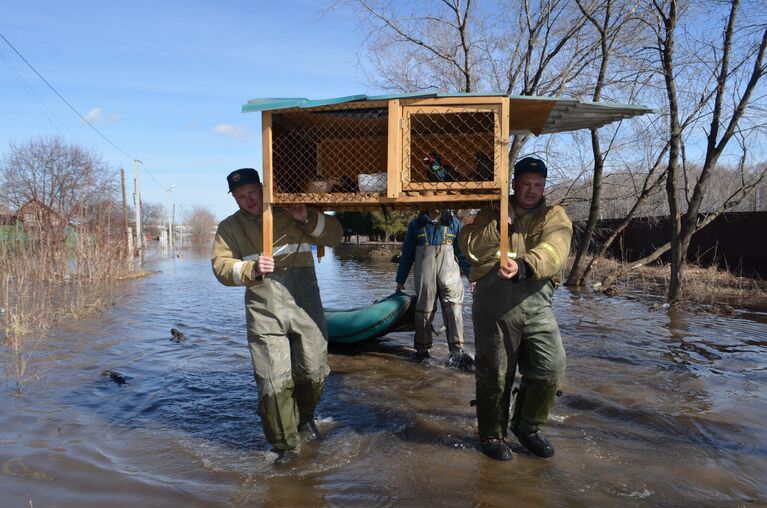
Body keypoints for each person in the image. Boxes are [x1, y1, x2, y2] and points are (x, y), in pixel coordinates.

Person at [211, 167, 342, 465]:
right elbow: (220, 267)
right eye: (239, 197)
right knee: (273, 381)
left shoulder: (290, 210)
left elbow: (335, 235)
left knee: (313, 372)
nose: (248, 201)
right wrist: (251, 269)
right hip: (264, 309)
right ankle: (285, 447)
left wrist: (306, 218)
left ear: (263, 188)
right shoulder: (229, 228)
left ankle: (304, 419)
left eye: (252, 193)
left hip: (304, 304)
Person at [458, 157, 572, 461]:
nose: (532, 191)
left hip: (536, 304)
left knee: (551, 366)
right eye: (526, 184)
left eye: (538, 185)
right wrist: (500, 224)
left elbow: (556, 252)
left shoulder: (555, 215)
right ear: (514, 184)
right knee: (495, 373)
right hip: (492, 305)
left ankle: (527, 427)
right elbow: (469, 248)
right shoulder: (487, 212)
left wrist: (524, 266)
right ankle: (492, 435)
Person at [395, 209, 473, 368]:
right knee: (424, 309)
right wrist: (400, 280)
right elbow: (408, 254)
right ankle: (422, 351)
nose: (437, 206)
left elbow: (462, 252)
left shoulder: (454, 224)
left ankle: (457, 351)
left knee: (454, 309)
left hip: (449, 272)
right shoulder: (415, 225)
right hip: (425, 273)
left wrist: (472, 276)